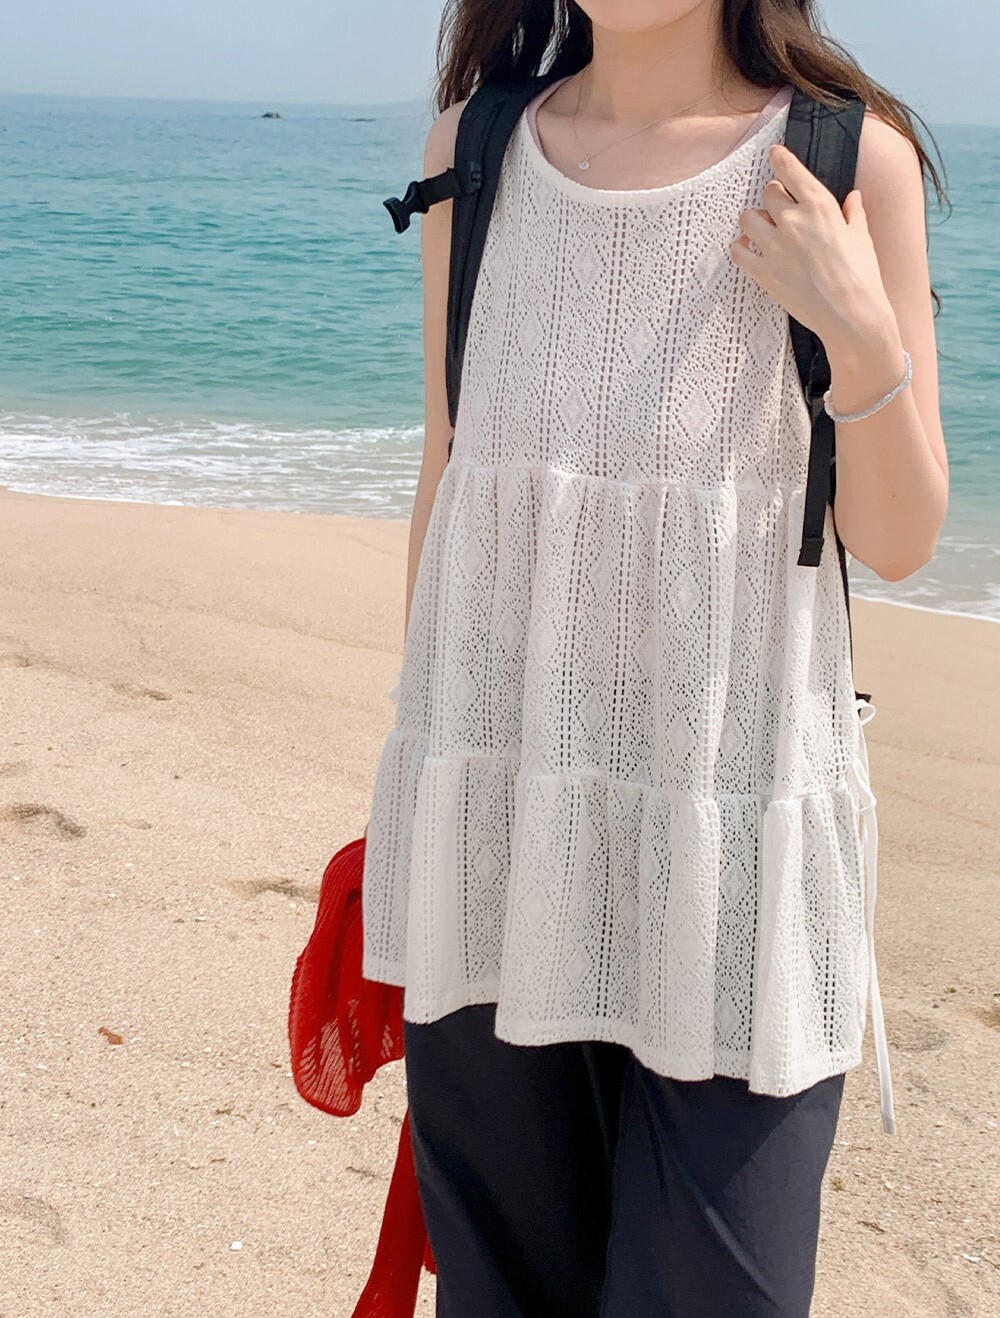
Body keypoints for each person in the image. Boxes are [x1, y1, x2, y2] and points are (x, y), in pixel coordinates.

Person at [362, 2, 950, 1314]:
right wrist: (419, 794)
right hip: (501, 828)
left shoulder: (846, 156)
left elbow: (900, 538)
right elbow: (452, 470)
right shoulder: (476, 148)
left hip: (738, 850)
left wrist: (861, 334)